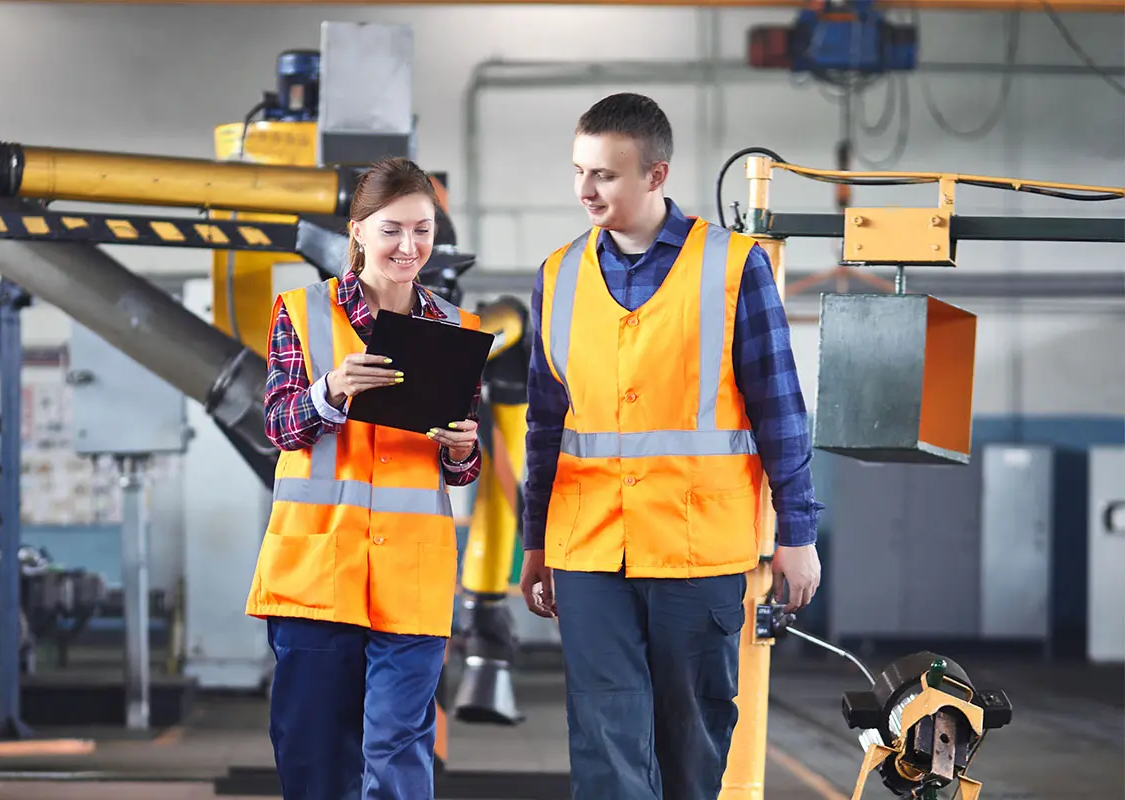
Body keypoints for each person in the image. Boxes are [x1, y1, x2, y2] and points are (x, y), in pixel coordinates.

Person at [518, 93, 825, 800]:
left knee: (690, 736)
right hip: (589, 547)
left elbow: (780, 409)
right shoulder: (558, 275)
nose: (586, 190)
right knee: (604, 734)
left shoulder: (734, 267)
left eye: (605, 174)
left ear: (656, 175)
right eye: (579, 171)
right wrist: (535, 541)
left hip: (696, 545)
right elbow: (545, 425)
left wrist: (798, 535)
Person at [246, 156, 483, 800]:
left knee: (398, 749)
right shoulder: (302, 312)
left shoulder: (455, 331)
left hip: (412, 576)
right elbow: (279, 427)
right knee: (315, 754)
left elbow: (460, 469)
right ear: (357, 231)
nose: (409, 247)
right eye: (391, 230)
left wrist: (464, 448)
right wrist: (329, 390)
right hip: (318, 573)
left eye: (422, 230)